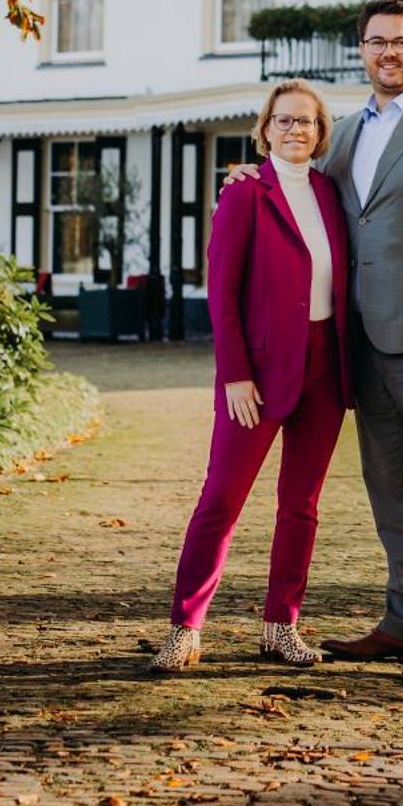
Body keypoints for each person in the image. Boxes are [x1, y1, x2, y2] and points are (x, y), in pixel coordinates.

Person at [226, 0, 403, 692]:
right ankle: (399, 620)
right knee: (389, 493)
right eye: (378, 41)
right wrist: (248, 178)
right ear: (362, 50)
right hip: (363, 349)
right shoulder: (345, 132)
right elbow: (302, 194)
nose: (390, 52)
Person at [150, 80, 351, 672]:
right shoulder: (244, 194)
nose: (295, 131)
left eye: (307, 123)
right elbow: (223, 292)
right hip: (256, 375)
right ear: (264, 129)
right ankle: (185, 629)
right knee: (221, 500)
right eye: (284, 121)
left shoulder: (329, 193)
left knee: (302, 506)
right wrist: (235, 374)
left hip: (326, 367)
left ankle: (281, 627)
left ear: (321, 134)